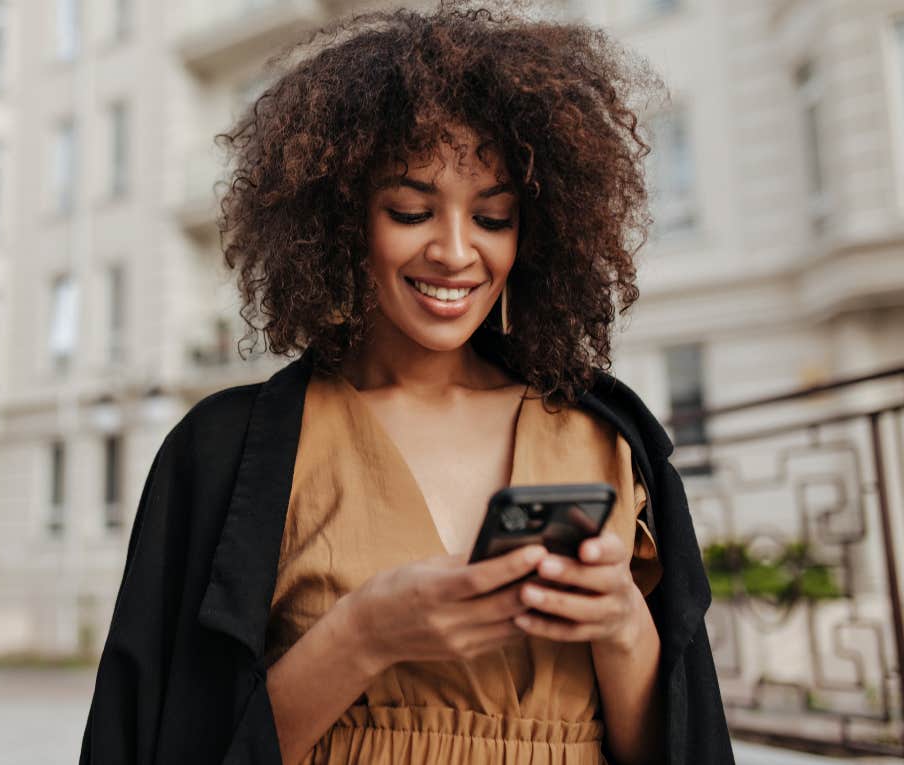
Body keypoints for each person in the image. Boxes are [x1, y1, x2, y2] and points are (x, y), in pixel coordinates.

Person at [80, 3, 733, 763]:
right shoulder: (225, 452)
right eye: (412, 209)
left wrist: (623, 622)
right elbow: (174, 743)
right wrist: (364, 635)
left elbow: (677, 746)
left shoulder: (603, 439)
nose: (456, 251)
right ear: (342, 216)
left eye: (492, 219)